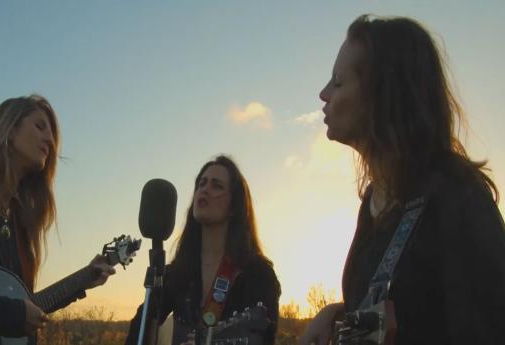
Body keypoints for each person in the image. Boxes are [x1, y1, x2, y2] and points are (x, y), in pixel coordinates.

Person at [298, 14, 505, 345]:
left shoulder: (457, 195)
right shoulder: (373, 203)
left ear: (383, 93)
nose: (323, 94)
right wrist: (339, 314)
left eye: (338, 82)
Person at [0, 95, 116, 344]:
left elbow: (24, 307)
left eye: (51, 134)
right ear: (9, 129)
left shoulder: (18, 219)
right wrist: (9, 313)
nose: (50, 140)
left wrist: (85, 277)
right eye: (40, 126)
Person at [125, 155, 281, 345]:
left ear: (234, 206)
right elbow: (137, 333)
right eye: (201, 184)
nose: (204, 190)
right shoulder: (176, 273)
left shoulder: (258, 275)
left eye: (216, 186)